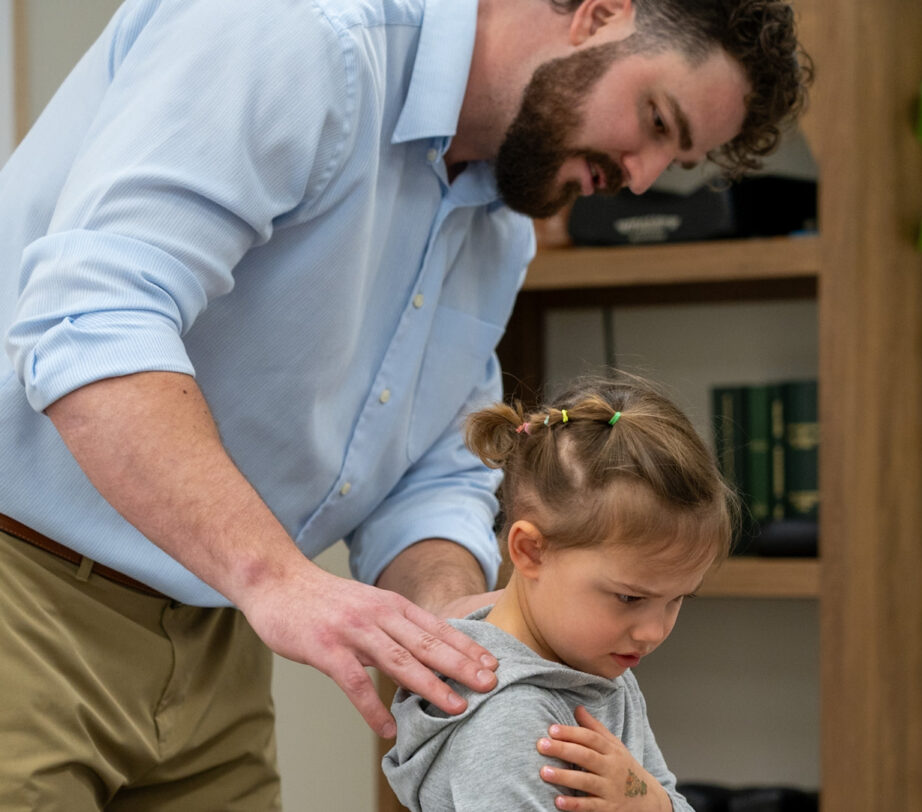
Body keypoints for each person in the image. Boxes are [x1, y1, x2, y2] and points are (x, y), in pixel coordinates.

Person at [0, 0, 808, 806]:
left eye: (677, 159)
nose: (639, 178)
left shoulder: (497, 228)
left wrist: (449, 626)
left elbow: (428, 468)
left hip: (210, 624)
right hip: (25, 593)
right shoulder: (295, 34)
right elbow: (91, 322)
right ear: (598, 13)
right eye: (656, 121)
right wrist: (277, 579)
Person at [383, 375, 734, 811]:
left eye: (679, 598)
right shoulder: (509, 719)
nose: (652, 632)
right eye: (630, 598)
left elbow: (665, 797)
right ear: (530, 551)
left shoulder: (601, 673)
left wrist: (651, 803)